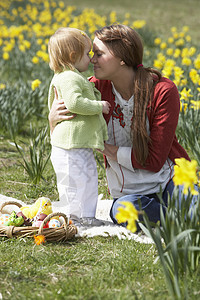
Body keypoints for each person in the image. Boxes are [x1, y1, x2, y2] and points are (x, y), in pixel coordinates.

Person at [48, 24, 191, 228]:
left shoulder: (162, 90)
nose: (91, 60)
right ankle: (178, 220)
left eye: (98, 54)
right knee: (125, 210)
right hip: (128, 194)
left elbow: (154, 160)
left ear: (122, 58)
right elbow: (66, 139)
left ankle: (177, 216)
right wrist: (53, 121)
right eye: (91, 54)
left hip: (169, 181)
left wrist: (105, 149)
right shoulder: (91, 92)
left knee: (194, 207)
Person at [48, 27, 111, 227]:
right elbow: (74, 103)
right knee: (72, 182)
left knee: (88, 178)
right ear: (74, 56)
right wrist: (98, 106)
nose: (90, 58)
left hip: (77, 144)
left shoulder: (72, 76)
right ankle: (72, 217)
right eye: (87, 54)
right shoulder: (69, 78)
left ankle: (87, 216)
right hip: (68, 147)